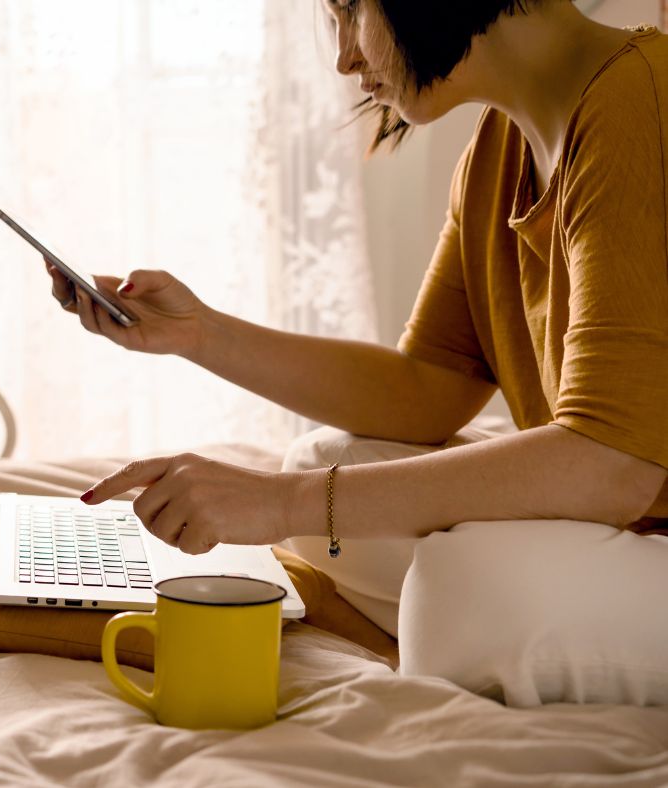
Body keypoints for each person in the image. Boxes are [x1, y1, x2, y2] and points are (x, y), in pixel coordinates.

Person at [46, 0, 668, 700]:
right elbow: (428, 388)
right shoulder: (500, 148)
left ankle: (442, 631)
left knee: (453, 580)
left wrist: (281, 505)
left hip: (642, 518)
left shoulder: (639, 104)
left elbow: (615, 465)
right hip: (626, 520)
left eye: (349, 10)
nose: (344, 56)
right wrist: (201, 334)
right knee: (322, 461)